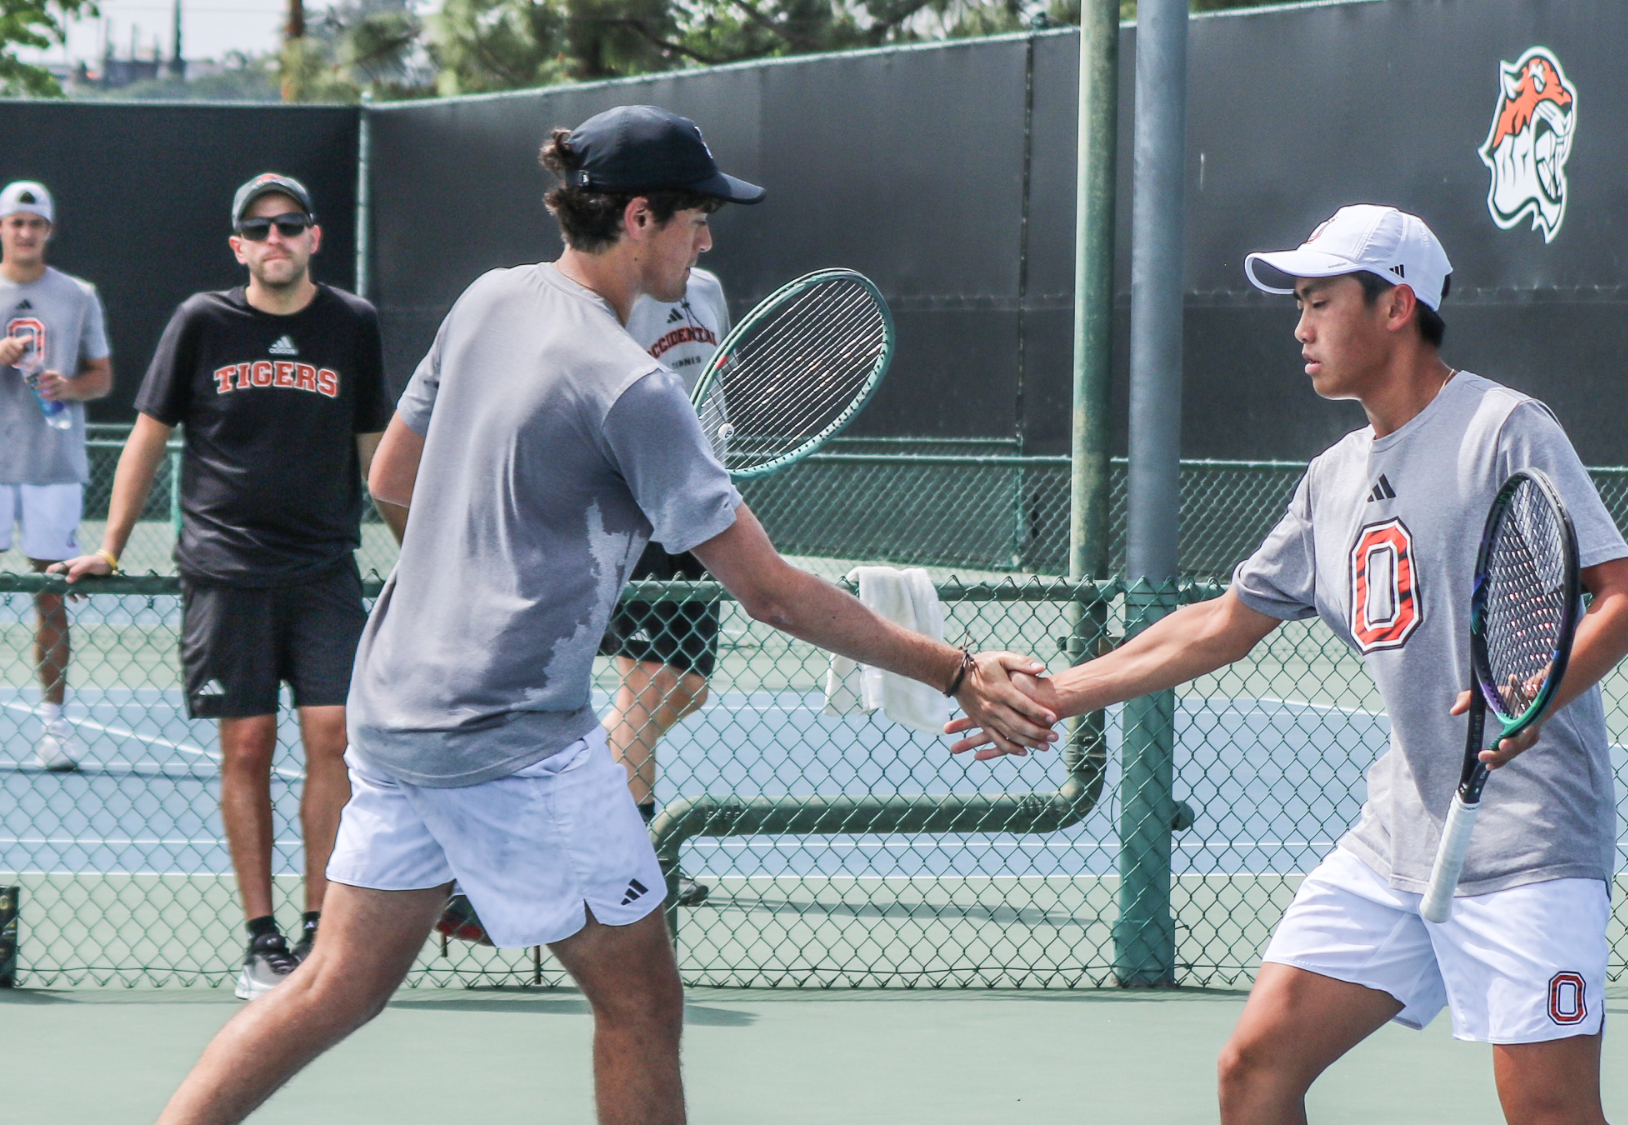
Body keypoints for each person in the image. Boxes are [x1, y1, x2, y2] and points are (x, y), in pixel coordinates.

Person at [146, 105, 1055, 1125]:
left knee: (335, 984)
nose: (707, 238)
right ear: (637, 217)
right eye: (696, 218)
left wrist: (501, 566)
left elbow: (394, 475)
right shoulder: (633, 391)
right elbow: (768, 591)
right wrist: (952, 668)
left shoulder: (489, 298)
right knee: (639, 996)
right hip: (510, 738)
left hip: (394, 707)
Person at [953, 205, 1628, 1125]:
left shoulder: (1504, 428)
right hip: (1396, 840)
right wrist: (1058, 693)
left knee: (1551, 1115)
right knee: (1254, 1070)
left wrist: (1534, 703)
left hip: (1529, 847)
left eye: (1319, 302)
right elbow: (1221, 623)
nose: (1300, 327)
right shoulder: (1331, 478)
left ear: (1397, 306)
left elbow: (1627, 598)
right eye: (1299, 305)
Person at [54, 173, 396, 1001]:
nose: (276, 240)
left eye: (291, 225)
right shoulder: (202, 322)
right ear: (238, 246)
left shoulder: (351, 324)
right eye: (260, 229)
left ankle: (322, 930)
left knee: (334, 736)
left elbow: (376, 445)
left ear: (314, 237)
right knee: (246, 747)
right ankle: (261, 939)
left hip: (322, 569)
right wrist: (110, 544)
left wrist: (418, 548)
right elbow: (147, 436)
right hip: (224, 571)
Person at [605, 265, 732, 852]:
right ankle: (636, 857)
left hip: (704, 504)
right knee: (648, 685)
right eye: (692, 217)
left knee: (689, 688)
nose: (702, 234)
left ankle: (580, 773)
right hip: (635, 508)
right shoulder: (613, 295)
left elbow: (712, 389)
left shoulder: (707, 290)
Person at [0, 181, 112, 771]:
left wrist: (70, 387)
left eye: (34, 223)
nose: (25, 232)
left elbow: (102, 375)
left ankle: (55, 728)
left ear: (48, 230)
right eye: (15, 222)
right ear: (1, 228)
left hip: (51, 468)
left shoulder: (77, 295)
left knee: (49, 595)